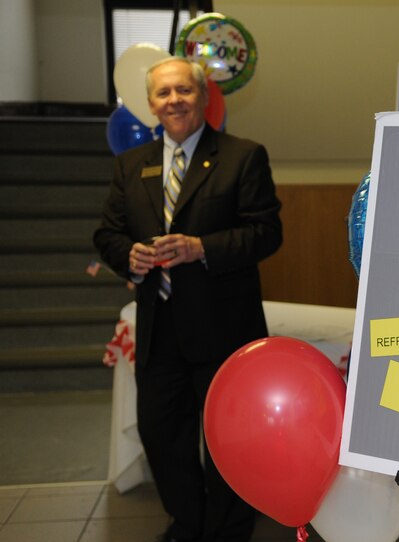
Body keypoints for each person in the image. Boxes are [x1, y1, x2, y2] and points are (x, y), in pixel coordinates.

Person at [93, 56, 282, 542]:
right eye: (163, 93)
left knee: (229, 437)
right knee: (162, 434)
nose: (174, 100)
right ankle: (187, 522)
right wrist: (127, 256)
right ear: (150, 105)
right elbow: (107, 233)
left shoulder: (243, 156)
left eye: (184, 90)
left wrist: (202, 248)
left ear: (203, 97)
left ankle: (228, 527)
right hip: (160, 329)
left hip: (226, 328)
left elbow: (266, 233)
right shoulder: (130, 166)